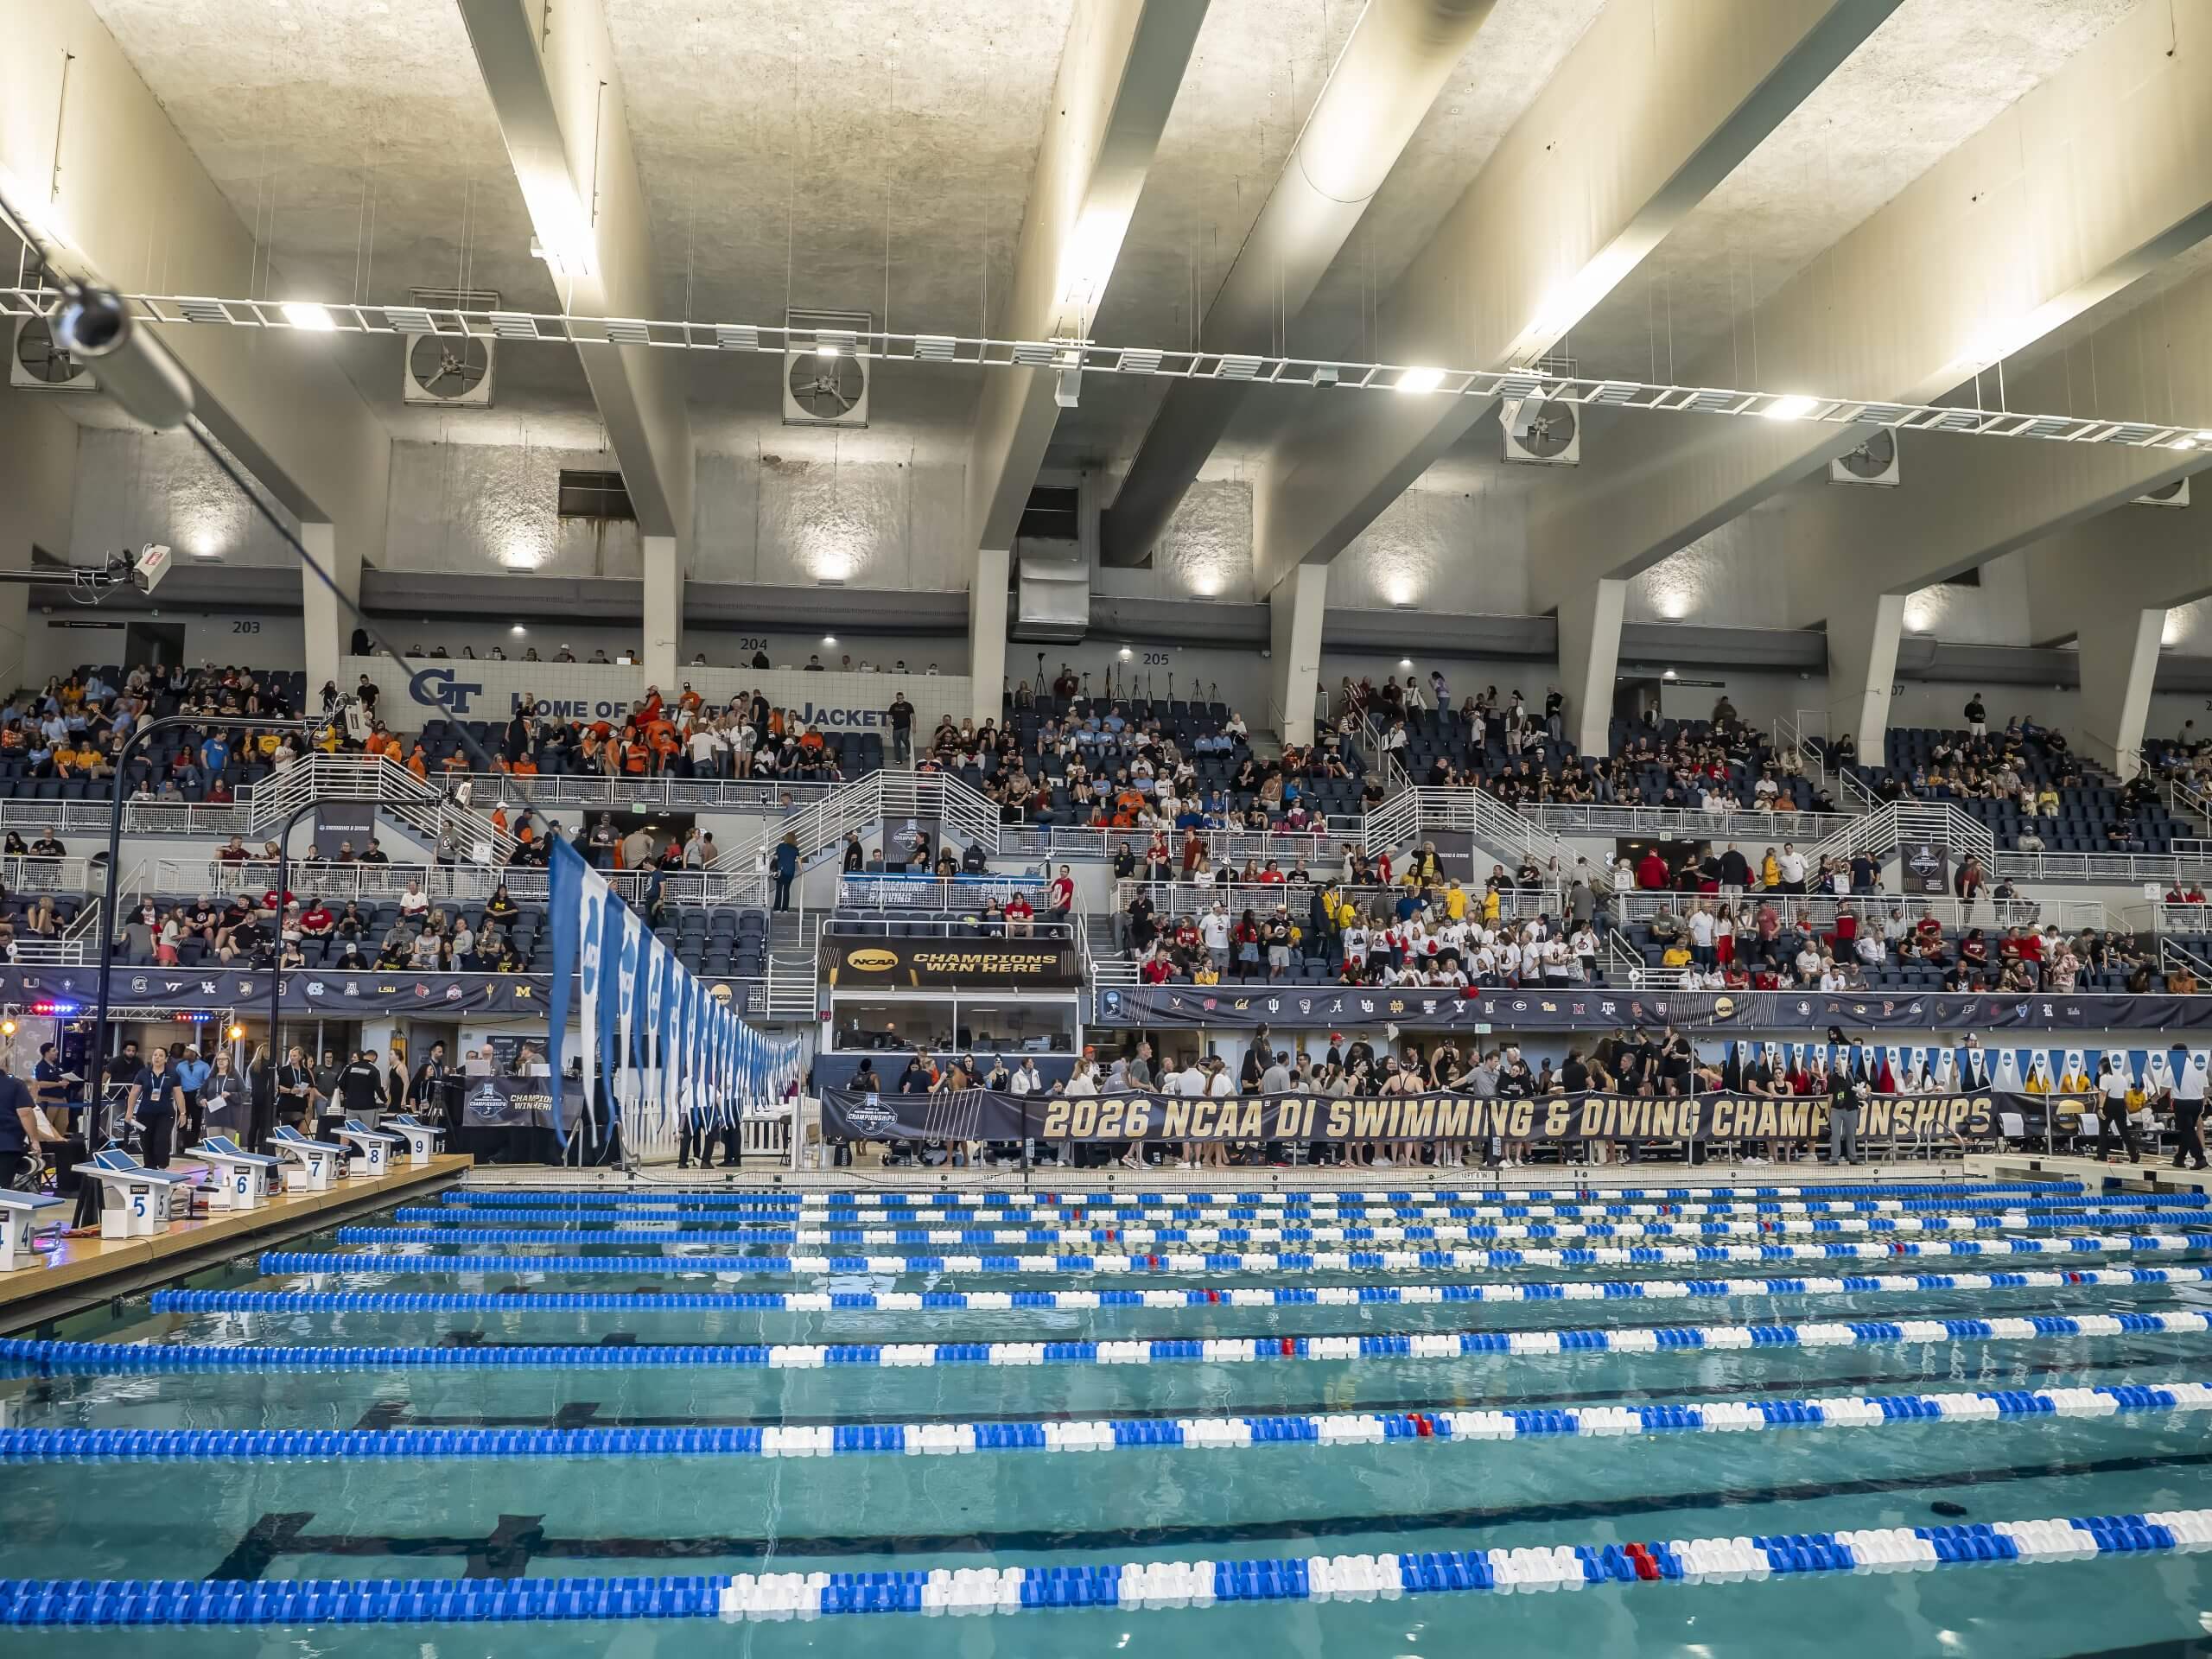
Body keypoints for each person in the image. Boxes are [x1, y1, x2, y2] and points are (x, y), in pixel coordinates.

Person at [0, 1058, 62, 1191]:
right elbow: (25, 1113)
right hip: (6, 1145)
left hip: (7, 1144)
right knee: (3, 1188)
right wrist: (34, 1140)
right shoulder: (15, 1085)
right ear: (4, 1064)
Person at [128, 1044, 184, 1169]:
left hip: (165, 1113)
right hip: (145, 1113)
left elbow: (178, 1094)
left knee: (161, 1139)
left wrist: (183, 1113)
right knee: (146, 1140)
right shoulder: (143, 1073)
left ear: (166, 1059)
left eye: (160, 1056)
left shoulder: (172, 1074)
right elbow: (134, 1093)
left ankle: (162, 1164)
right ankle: (149, 1166)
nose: (157, 1057)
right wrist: (129, 1112)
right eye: (155, 1055)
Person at [2097, 1055, 2141, 1165]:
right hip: (2121, 1103)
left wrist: (2100, 1107)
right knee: (2124, 1131)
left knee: (2103, 1130)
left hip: (2109, 1103)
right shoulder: (2122, 1077)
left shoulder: (2104, 1077)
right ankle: (2134, 1154)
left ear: (2104, 1066)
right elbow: (2126, 1094)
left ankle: (2101, 1155)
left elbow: (2103, 1094)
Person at [2171, 1043, 2208, 1171]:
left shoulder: (2173, 1067)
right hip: (2198, 1102)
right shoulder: (2197, 1066)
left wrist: (2154, 1099)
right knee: (2188, 1130)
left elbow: (2164, 1088)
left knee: (2187, 1130)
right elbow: (2206, 1087)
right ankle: (2179, 1158)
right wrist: (2203, 1102)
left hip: (2182, 1103)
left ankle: (2200, 1158)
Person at [1825, 1063, 1864, 1166]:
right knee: (1835, 1134)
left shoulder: (1853, 1076)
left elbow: (1867, 1086)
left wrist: (1863, 1093)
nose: (1836, 1066)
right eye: (1836, 1064)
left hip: (1851, 1108)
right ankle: (1834, 1158)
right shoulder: (1833, 1078)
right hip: (1836, 1109)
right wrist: (1830, 1112)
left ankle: (1852, 1157)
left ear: (1846, 1066)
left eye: (1839, 1063)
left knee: (1851, 1134)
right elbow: (1830, 1096)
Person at [772, 831, 799, 912]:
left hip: (780, 871)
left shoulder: (780, 846)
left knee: (779, 889)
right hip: (790, 872)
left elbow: (776, 857)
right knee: (786, 890)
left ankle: (777, 908)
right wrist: (802, 869)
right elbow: (798, 859)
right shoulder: (795, 849)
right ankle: (785, 909)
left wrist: (773, 867)